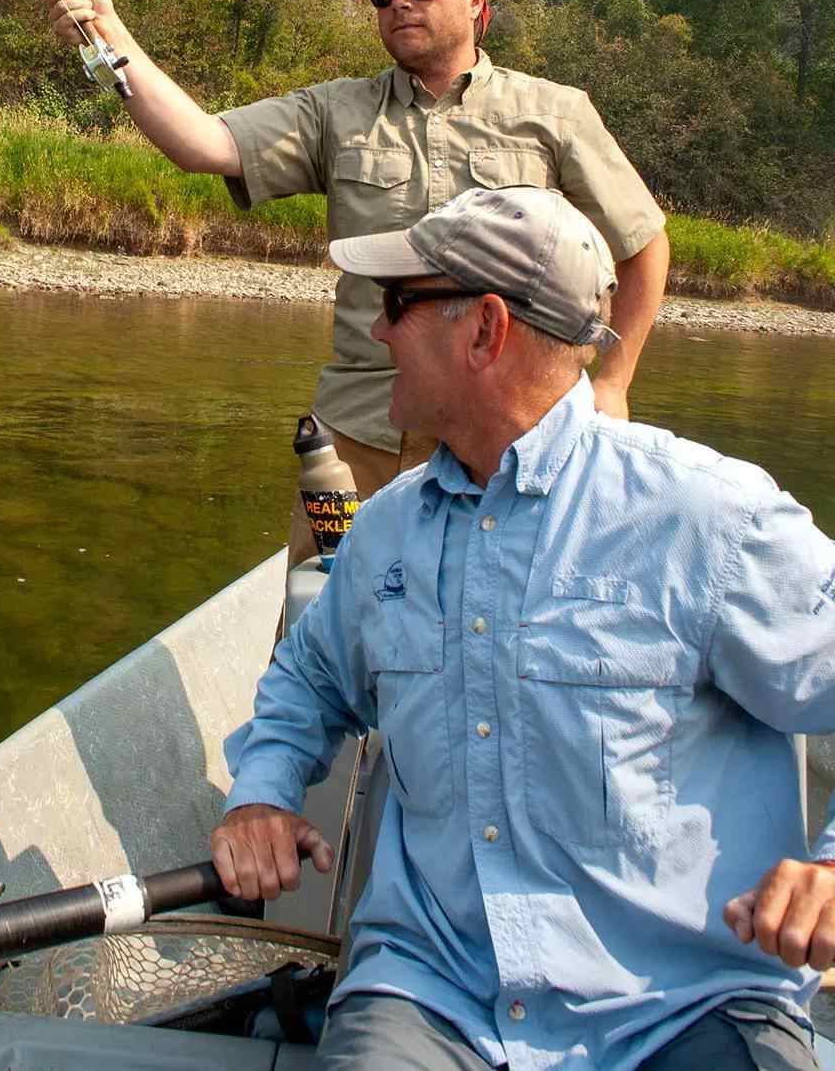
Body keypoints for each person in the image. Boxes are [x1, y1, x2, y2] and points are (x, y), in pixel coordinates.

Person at [209, 185, 835, 1071]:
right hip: (434, 994)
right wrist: (263, 794)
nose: (376, 331)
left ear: (485, 330)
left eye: (397, 304)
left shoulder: (708, 520)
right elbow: (309, 681)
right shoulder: (384, 532)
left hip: (684, 1004)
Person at [40, 0, 671, 562]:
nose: (399, 1)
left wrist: (612, 384)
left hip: (511, 437)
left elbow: (644, 243)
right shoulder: (333, 112)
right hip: (360, 437)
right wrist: (110, 35)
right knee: (319, 611)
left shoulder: (555, 113)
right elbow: (202, 142)